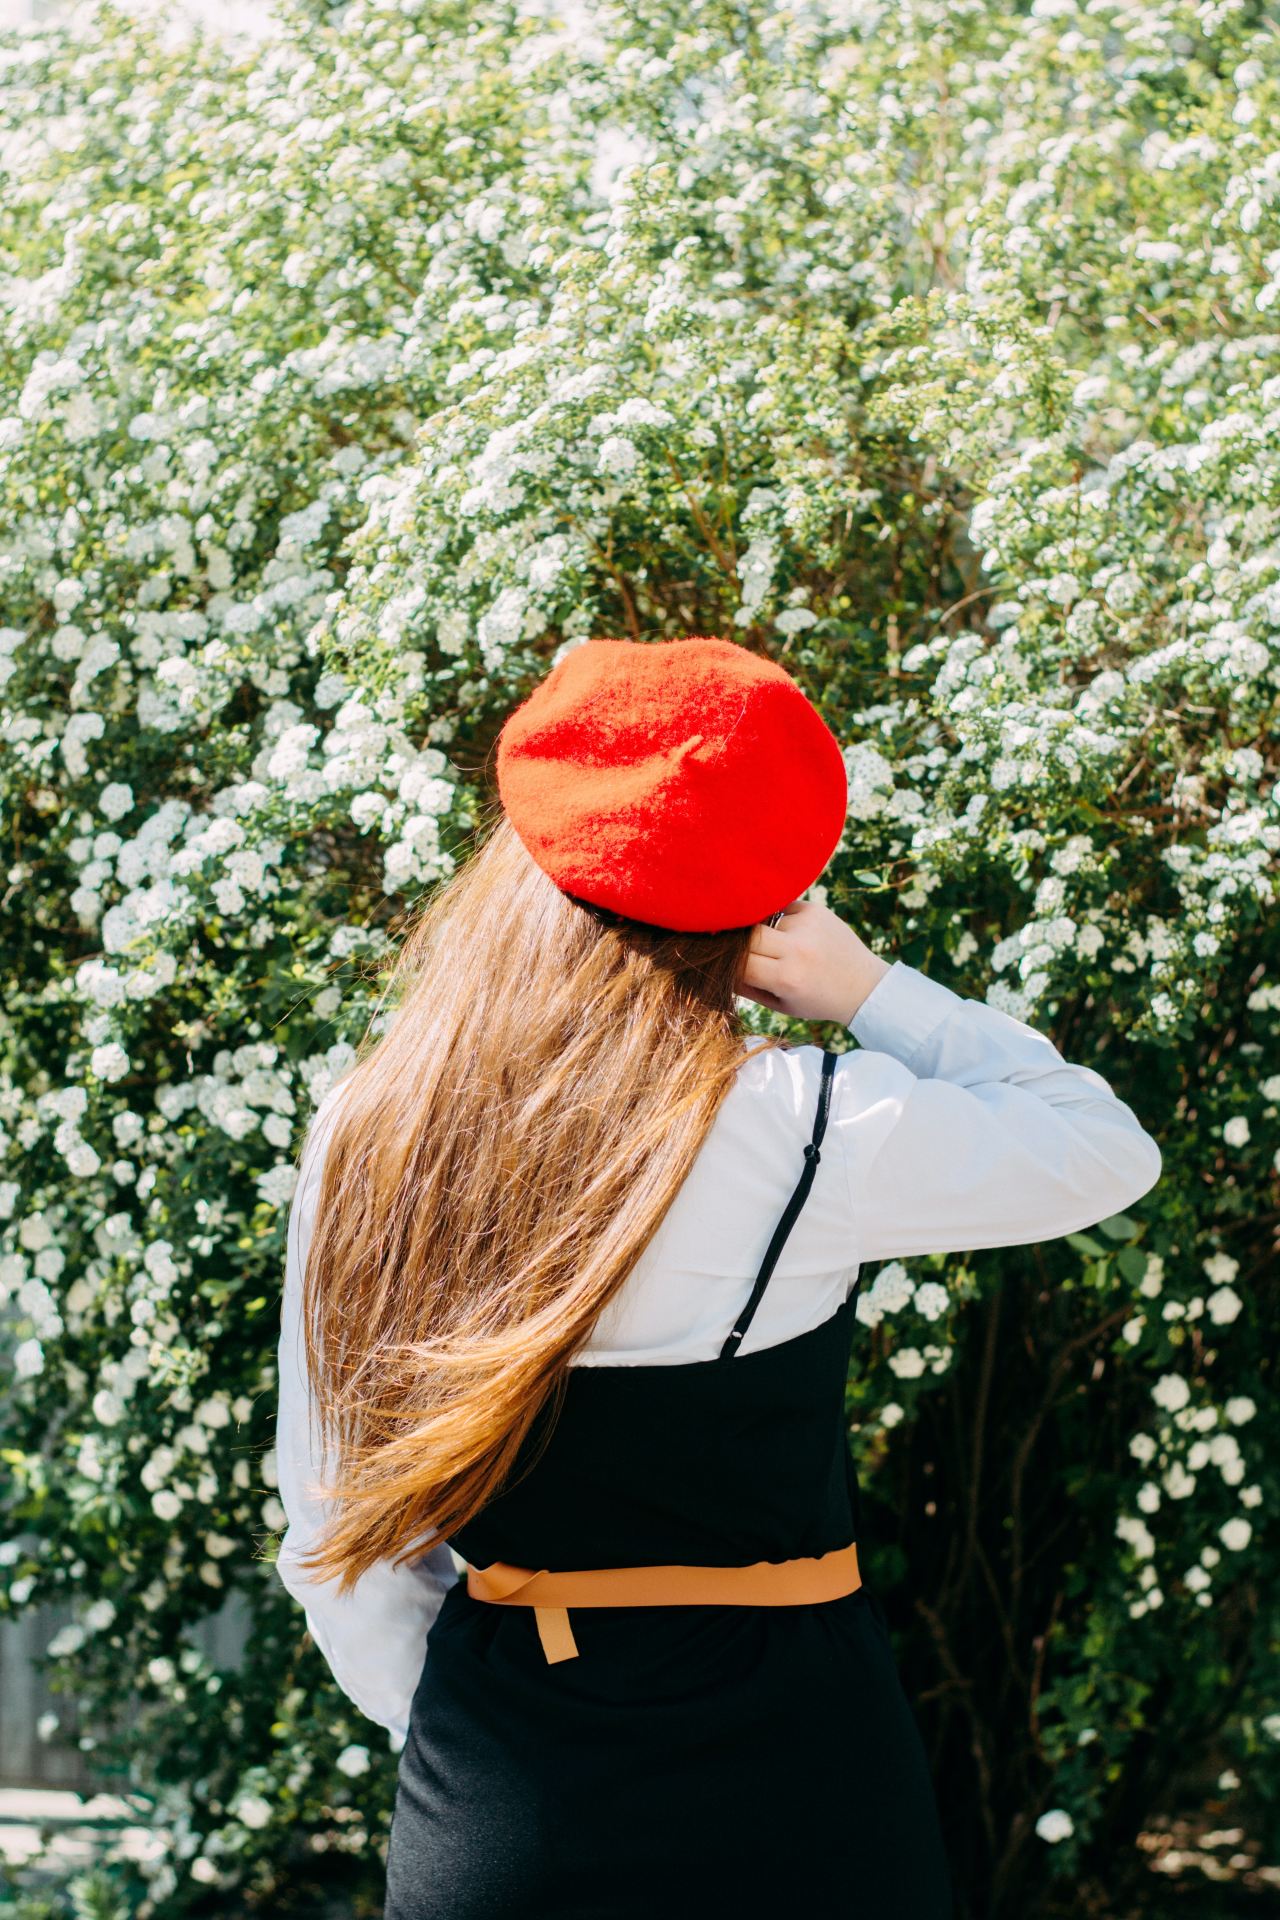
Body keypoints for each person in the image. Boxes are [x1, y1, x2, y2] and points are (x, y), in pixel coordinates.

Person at [274, 636, 1162, 1918]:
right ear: (759, 898)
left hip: (503, 1787)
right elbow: (1099, 1147)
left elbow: (330, 1529)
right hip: (794, 1779)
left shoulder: (372, 1124)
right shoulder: (804, 1120)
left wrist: (463, 1714)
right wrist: (862, 985)